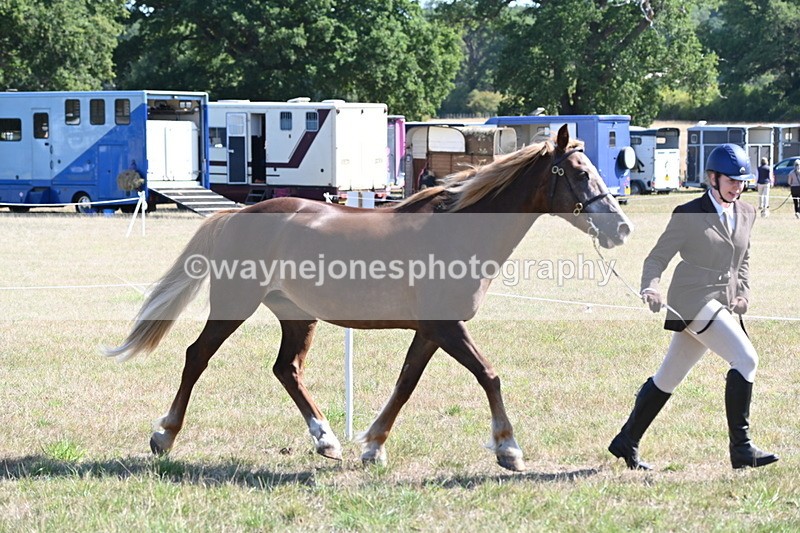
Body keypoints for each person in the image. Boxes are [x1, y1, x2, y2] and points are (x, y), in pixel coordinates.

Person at [608, 143, 778, 471]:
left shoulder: (747, 212)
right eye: (731, 180)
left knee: (668, 377)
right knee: (746, 359)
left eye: (742, 182)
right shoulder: (687, 214)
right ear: (713, 178)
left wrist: (743, 293)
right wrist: (650, 287)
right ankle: (742, 449)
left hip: (722, 302)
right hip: (692, 299)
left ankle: (626, 440)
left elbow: (743, 260)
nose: (738, 187)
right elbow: (657, 257)